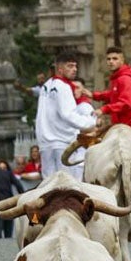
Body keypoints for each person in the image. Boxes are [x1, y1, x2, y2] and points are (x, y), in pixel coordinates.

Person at [35, 51, 96, 181]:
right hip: (62, 141)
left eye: (75, 66)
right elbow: (68, 115)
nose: (74, 69)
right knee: (68, 183)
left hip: (46, 142)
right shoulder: (63, 87)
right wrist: (91, 122)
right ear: (60, 68)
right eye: (70, 66)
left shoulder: (46, 85)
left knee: (48, 183)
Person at [91, 46, 131, 129]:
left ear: (122, 60)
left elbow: (125, 103)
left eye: (115, 59)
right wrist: (93, 95)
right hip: (126, 127)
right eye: (108, 59)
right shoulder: (118, 78)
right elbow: (113, 94)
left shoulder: (125, 79)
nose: (111, 61)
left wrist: (104, 109)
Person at [0, 160, 24, 239]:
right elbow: (18, 185)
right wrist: (23, 196)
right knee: (8, 233)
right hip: (9, 204)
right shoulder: (7, 173)